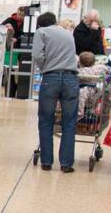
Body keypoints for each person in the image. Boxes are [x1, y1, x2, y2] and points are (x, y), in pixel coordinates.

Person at [33, 11, 80, 172]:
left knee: (46, 120)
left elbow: (37, 55)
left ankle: (46, 162)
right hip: (71, 79)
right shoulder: (67, 34)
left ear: (40, 24)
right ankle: (66, 164)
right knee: (69, 122)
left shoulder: (41, 32)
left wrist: (46, 67)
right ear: (55, 22)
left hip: (51, 78)